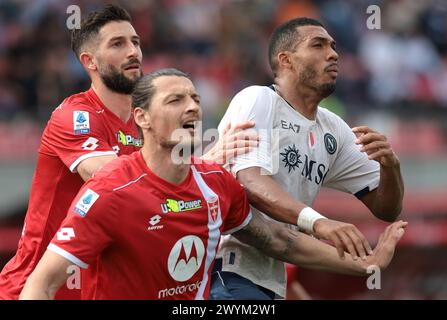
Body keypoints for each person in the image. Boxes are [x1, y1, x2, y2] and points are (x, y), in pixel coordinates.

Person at [19, 68, 407, 300]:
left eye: (195, 98)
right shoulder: (110, 191)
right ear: (142, 118)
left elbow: (277, 240)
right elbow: (42, 283)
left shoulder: (216, 184)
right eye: (175, 100)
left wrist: (364, 264)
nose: (191, 107)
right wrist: (320, 223)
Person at [0, 5, 256, 300]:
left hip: (91, 289)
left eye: (135, 42)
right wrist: (212, 160)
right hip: (33, 286)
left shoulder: (150, 123)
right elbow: (118, 183)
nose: (133, 51)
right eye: (118, 43)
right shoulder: (75, 116)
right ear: (89, 61)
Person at [210, 17, 405, 300]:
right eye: (318, 45)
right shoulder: (258, 99)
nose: (333, 53)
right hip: (225, 271)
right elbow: (249, 180)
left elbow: (386, 209)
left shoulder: (334, 128)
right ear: (286, 60)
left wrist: (391, 167)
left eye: (334, 46)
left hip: (272, 278)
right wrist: (319, 222)